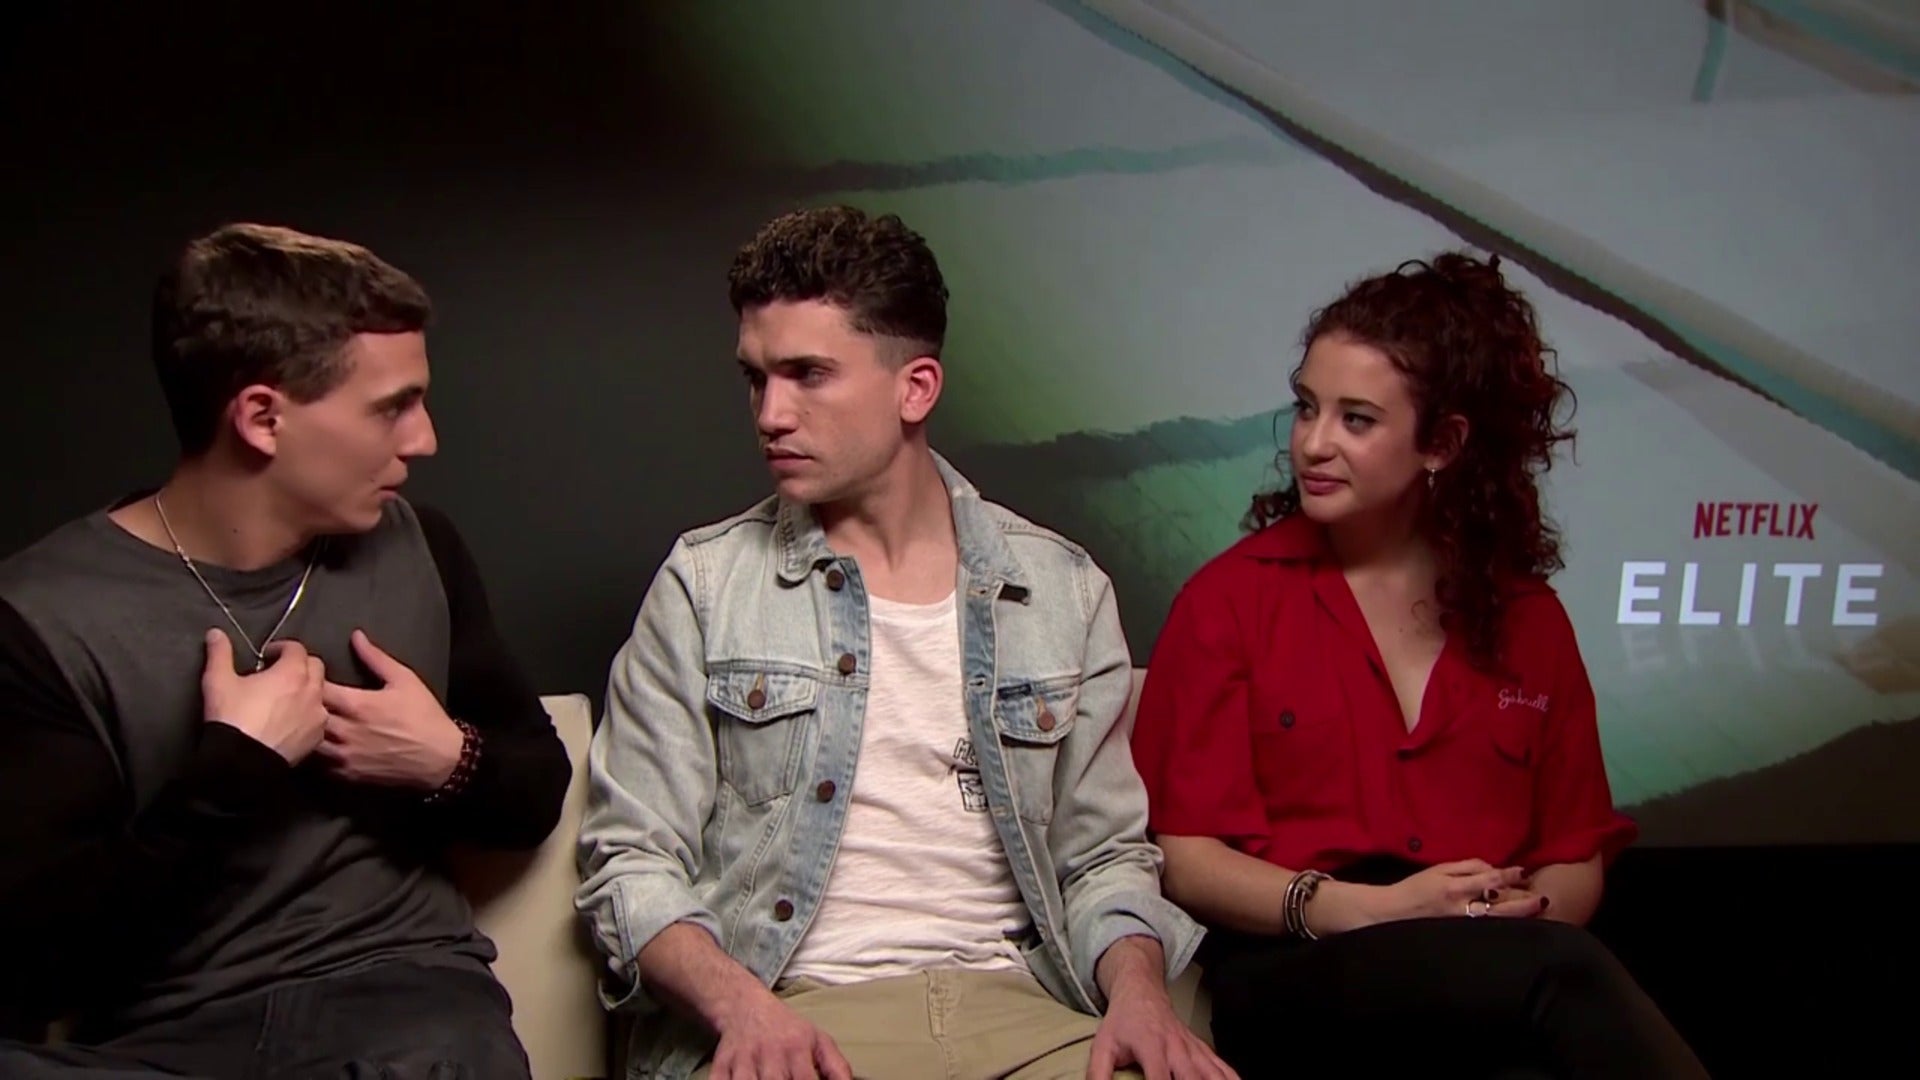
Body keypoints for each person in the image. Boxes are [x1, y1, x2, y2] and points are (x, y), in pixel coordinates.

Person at [577, 205, 1232, 1080]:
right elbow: (629, 861)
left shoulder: (1061, 589)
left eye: (808, 375)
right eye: (756, 379)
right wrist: (743, 1011)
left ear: (915, 388)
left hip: (1025, 1012)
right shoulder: (705, 585)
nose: (770, 413)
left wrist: (1143, 1000)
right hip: (796, 1013)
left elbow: (1104, 857)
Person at [0, 223, 571, 1079]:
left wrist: (446, 760)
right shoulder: (44, 618)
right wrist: (234, 771)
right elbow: (37, 967)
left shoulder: (419, 549)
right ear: (262, 418)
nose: (423, 439)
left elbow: (535, 789)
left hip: (404, 1010)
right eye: (392, 407)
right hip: (168, 1041)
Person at [1128, 253, 1709, 1079]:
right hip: (1299, 962)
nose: (1313, 443)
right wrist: (1370, 909)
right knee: (1564, 980)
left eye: (1357, 420)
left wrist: (1518, 921)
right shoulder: (1230, 600)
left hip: (1492, 964)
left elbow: (1573, 850)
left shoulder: (1530, 620)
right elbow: (1184, 856)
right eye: (1306, 407)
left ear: (1442, 443)